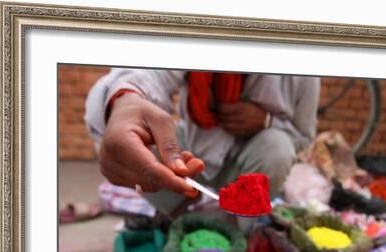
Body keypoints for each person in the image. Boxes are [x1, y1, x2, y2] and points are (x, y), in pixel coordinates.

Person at [85, 69, 320, 214]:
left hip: (250, 160)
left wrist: (267, 121)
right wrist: (126, 98)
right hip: (193, 154)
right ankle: (181, 218)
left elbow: (303, 137)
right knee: (139, 147)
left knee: (277, 148)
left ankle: (239, 225)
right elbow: (149, 73)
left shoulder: (302, 71)